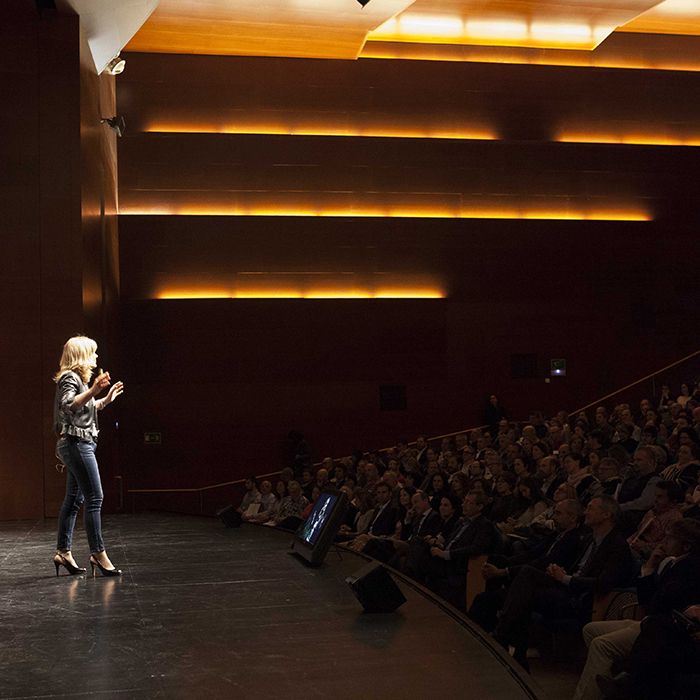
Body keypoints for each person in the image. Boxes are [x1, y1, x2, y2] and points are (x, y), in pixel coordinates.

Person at [493, 496, 634, 669]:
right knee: (526, 581)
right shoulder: (590, 538)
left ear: (606, 514)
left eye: (590, 508)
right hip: (569, 587)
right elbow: (578, 567)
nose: (585, 512)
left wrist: (566, 578)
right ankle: (514, 648)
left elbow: (604, 582)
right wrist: (560, 573)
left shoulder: (617, 545)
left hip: (584, 599)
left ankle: (504, 635)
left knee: (526, 587)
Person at [574, 518, 700, 700]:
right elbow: (646, 600)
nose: (665, 541)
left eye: (671, 538)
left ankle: (594, 694)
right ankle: (608, 682)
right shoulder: (674, 562)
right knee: (591, 630)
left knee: (601, 645)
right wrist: (649, 566)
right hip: (653, 621)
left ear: (686, 546)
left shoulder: (691, 567)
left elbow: (659, 605)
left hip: (667, 629)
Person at [53, 335, 124, 577]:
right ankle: (98, 553)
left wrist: (104, 399)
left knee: (73, 501)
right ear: (81, 355)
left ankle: (63, 552)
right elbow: (69, 405)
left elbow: (84, 408)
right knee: (95, 497)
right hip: (77, 444)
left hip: (79, 443)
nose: (95, 358)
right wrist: (95, 389)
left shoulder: (78, 381)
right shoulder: (69, 378)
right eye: (92, 353)